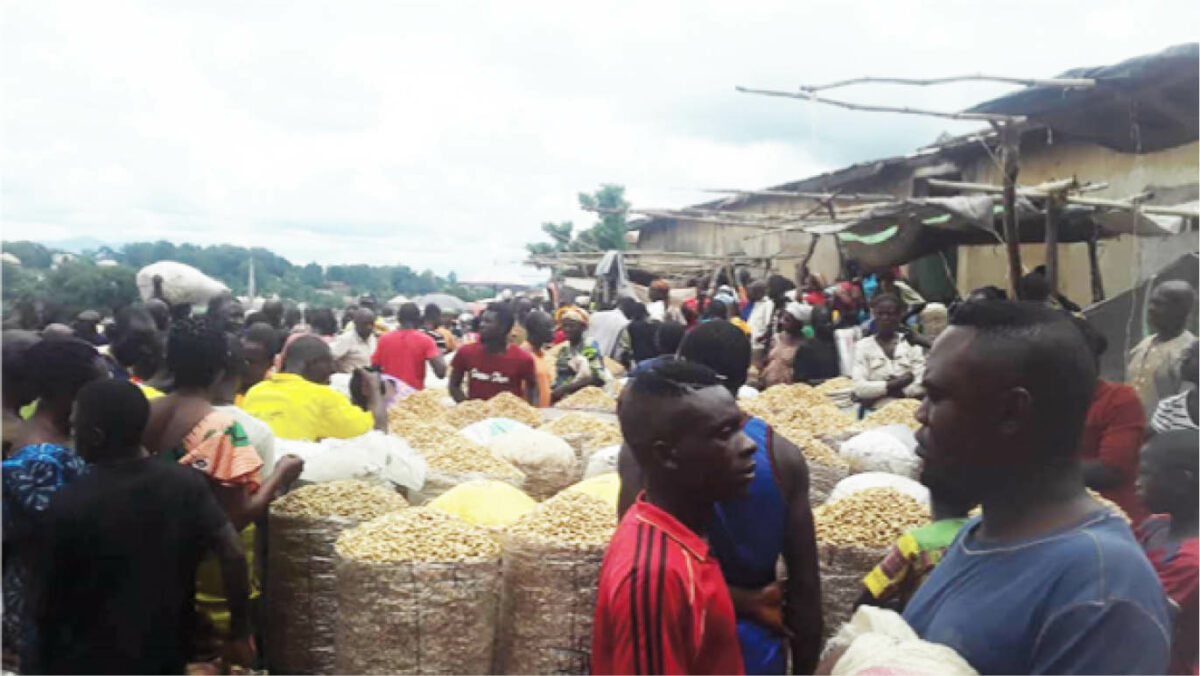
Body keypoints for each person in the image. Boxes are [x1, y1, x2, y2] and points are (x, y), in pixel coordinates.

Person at [902, 300, 1171, 674]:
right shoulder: (976, 535)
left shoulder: (1099, 589)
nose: (920, 413)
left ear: (1011, 412)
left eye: (937, 396)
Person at [618, 322, 824, 673]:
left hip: (677, 636)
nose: (744, 448)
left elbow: (631, 545)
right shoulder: (781, 456)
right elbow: (805, 589)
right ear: (745, 375)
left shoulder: (646, 453)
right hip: (753, 650)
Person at [32, 379, 253, 674]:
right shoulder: (185, 484)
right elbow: (232, 552)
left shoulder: (69, 503)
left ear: (96, 436)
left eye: (75, 429)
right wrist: (238, 631)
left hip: (90, 660)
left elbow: (47, 604)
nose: (73, 437)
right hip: (165, 653)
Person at [140, 319, 305, 659]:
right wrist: (280, 475)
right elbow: (237, 519)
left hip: (151, 570)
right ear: (219, 371)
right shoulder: (222, 429)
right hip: (209, 582)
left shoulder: (144, 414)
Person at [593, 360, 755, 675]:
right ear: (667, 455)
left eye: (740, 427)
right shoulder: (655, 575)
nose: (748, 445)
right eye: (724, 433)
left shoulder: (678, 537)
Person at [2, 338, 107, 667]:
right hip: (49, 609)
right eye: (97, 386)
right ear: (67, 390)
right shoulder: (40, 456)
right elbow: (68, 539)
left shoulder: (62, 438)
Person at [857, 462, 973, 612]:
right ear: (974, 502)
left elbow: (871, 597)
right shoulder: (983, 534)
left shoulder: (916, 542)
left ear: (930, 493)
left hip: (923, 625)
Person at [1074, 317, 1149, 525]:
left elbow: (1113, 470)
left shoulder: (1119, 400)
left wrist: (1040, 473)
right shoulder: (1042, 399)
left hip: (1112, 518)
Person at [1136, 430, 1199, 675]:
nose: (1137, 481)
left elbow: (1139, 616)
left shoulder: (1191, 562)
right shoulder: (1156, 524)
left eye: (1146, 474)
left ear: (1183, 480)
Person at [243, 335, 387, 440]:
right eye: (329, 363)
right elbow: (376, 433)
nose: (332, 369)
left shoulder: (255, 391)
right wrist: (374, 389)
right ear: (312, 363)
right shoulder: (323, 397)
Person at [1128, 280, 1197, 417]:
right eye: (1151, 302)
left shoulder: (1192, 353)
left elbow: (1188, 410)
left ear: (1180, 311)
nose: (1151, 309)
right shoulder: (1143, 345)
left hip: (1167, 435)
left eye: (1159, 304)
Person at [851, 293, 925, 413]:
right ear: (874, 315)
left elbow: (921, 383)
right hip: (876, 413)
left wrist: (885, 392)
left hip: (910, 412)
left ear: (899, 316)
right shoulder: (863, 346)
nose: (885, 318)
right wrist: (896, 383)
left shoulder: (911, 344)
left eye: (890, 314)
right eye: (880, 314)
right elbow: (859, 388)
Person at [449, 304, 537, 402]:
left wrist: (528, 409)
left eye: (488, 322)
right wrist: (467, 407)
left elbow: (532, 387)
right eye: (482, 320)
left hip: (507, 415)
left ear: (504, 327)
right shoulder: (466, 352)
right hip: (477, 415)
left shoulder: (523, 359)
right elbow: (454, 385)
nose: (482, 325)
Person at [373, 303, 446, 391]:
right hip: (412, 400)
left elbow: (375, 368)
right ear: (419, 320)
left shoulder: (383, 339)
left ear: (398, 319)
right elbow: (441, 372)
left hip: (389, 396)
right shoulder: (426, 340)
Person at [552, 308, 611, 403]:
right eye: (564, 326)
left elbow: (598, 378)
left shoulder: (589, 345)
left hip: (583, 401)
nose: (567, 329)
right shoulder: (564, 350)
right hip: (564, 401)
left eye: (572, 326)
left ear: (583, 327)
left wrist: (566, 388)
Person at [1150, 339, 1198, 433]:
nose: (1184, 359)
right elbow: (1156, 445)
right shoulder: (1169, 408)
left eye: (1190, 355)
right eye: (1185, 354)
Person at [761, 301, 807, 387]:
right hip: (768, 388)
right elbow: (766, 360)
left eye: (787, 320)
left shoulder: (803, 345)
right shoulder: (776, 338)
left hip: (788, 390)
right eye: (782, 318)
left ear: (798, 323)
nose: (782, 321)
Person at [792, 305, 842, 385]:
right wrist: (827, 382)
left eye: (830, 322)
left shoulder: (837, 344)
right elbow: (800, 381)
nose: (828, 326)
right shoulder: (806, 348)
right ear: (814, 324)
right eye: (824, 323)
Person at [521, 311, 557, 408]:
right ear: (535, 329)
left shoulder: (544, 355)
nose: (553, 330)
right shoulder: (524, 356)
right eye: (548, 326)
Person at [331, 307, 379, 374]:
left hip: (369, 380)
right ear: (356, 323)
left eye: (371, 324)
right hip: (349, 380)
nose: (369, 327)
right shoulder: (346, 339)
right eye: (365, 324)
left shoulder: (373, 339)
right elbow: (330, 358)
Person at [240, 322, 280, 399]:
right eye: (242, 360)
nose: (244, 366)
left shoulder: (272, 395)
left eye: (250, 361)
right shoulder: (227, 390)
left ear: (270, 362)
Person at [614, 300, 656, 369]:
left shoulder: (630, 326)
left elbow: (625, 348)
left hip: (638, 362)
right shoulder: (655, 324)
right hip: (653, 361)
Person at [744, 280, 773, 367]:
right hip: (749, 342)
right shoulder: (755, 303)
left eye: (753, 292)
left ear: (759, 292)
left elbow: (768, 324)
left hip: (758, 345)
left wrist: (761, 337)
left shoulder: (768, 304)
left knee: (755, 369)